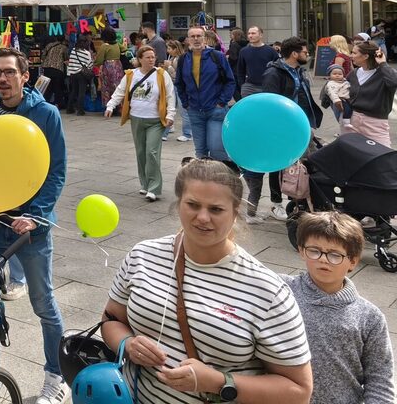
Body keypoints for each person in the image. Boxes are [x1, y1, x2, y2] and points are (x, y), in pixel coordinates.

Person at [100, 159, 314, 404]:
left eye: (216, 209)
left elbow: (299, 391)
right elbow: (111, 319)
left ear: (235, 212)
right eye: (192, 204)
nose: (202, 217)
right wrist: (127, 344)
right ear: (178, 203)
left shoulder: (268, 291)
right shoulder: (142, 255)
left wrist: (217, 382)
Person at [0, 48, 68, 403]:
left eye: (9, 72)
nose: (2, 78)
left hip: (30, 228)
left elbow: (56, 171)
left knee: (44, 304)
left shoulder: (45, 114)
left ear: (24, 75)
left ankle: (56, 376)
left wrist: (35, 215)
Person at [286, 212, 395, 404]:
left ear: (353, 261)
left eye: (335, 254)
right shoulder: (282, 291)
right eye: (314, 250)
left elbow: (380, 381)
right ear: (302, 251)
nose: (323, 259)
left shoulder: (369, 317)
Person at [255, 37, 321, 222]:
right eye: (305, 52)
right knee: (278, 164)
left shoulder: (297, 71)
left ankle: (297, 198)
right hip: (283, 127)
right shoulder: (274, 73)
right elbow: (270, 103)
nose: (307, 55)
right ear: (294, 54)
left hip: (301, 124)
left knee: (301, 162)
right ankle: (276, 203)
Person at [104, 45, 175, 202]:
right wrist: (110, 105)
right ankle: (145, 183)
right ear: (140, 59)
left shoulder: (162, 75)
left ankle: (154, 188)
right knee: (141, 152)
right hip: (137, 118)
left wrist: (171, 115)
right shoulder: (131, 75)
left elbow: (170, 96)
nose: (151, 59)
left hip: (156, 120)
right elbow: (120, 91)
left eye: (153, 57)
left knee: (152, 152)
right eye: (148, 57)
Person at [174, 26, 236, 163]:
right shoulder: (184, 59)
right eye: (192, 36)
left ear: (205, 38)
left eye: (199, 36)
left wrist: (221, 102)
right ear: (188, 40)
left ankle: (221, 178)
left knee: (216, 149)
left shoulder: (217, 56)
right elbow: (179, 83)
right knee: (200, 151)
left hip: (215, 110)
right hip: (195, 110)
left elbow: (230, 81)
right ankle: (204, 181)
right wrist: (186, 103)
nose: (196, 39)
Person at [346, 40, 397, 147]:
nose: (351, 56)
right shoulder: (354, 73)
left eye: (354, 53)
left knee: (383, 156)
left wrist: (383, 63)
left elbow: (394, 83)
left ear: (365, 56)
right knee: (355, 156)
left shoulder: (383, 73)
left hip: (376, 124)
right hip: (353, 121)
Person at [162, 38, 191, 142]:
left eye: (169, 48)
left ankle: (187, 134)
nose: (168, 50)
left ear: (175, 49)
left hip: (178, 86)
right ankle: (165, 132)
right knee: (170, 108)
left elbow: (178, 75)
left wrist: (169, 67)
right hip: (172, 86)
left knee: (183, 111)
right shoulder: (173, 58)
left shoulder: (180, 59)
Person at [236, 25, 278, 97]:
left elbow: (278, 70)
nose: (250, 36)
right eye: (249, 33)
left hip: (268, 87)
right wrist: (242, 85)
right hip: (249, 87)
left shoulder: (271, 51)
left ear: (261, 35)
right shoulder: (243, 51)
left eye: (253, 33)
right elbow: (240, 70)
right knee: (249, 108)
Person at [65, 34, 94, 115]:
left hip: (73, 74)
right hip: (81, 74)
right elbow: (90, 65)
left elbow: (71, 62)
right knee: (81, 92)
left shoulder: (73, 51)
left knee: (73, 91)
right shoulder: (87, 53)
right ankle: (80, 110)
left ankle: (69, 108)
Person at [94, 27, 124, 105]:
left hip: (108, 68)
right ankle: (119, 105)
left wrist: (96, 64)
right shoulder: (117, 44)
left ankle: (109, 105)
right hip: (118, 67)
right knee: (118, 86)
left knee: (107, 87)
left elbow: (99, 60)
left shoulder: (104, 46)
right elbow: (125, 49)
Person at [38, 38, 68, 108]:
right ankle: (59, 104)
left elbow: (43, 56)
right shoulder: (64, 47)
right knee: (58, 87)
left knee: (48, 87)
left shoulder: (49, 45)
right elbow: (66, 58)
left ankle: (45, 103)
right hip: (58, 69)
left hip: (47, 68)